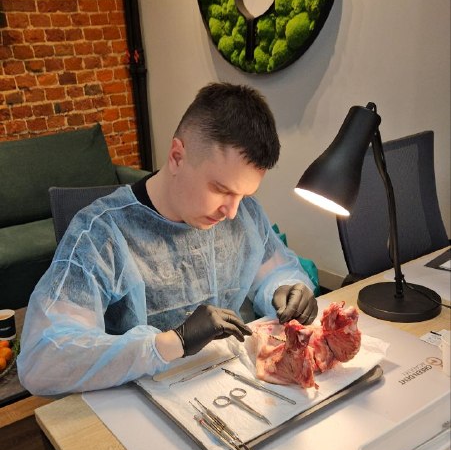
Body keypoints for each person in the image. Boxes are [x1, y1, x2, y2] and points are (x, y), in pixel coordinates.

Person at [18, 82, 318, 396]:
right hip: (136, 400)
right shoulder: (100, 234)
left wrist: (285, 288)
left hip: (222, 385)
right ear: (176, 156)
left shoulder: (243, 214)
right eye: (221, 189)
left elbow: (275, 270)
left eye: (243, 195)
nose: (231, 212)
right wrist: (172, 342)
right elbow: (43, 362)